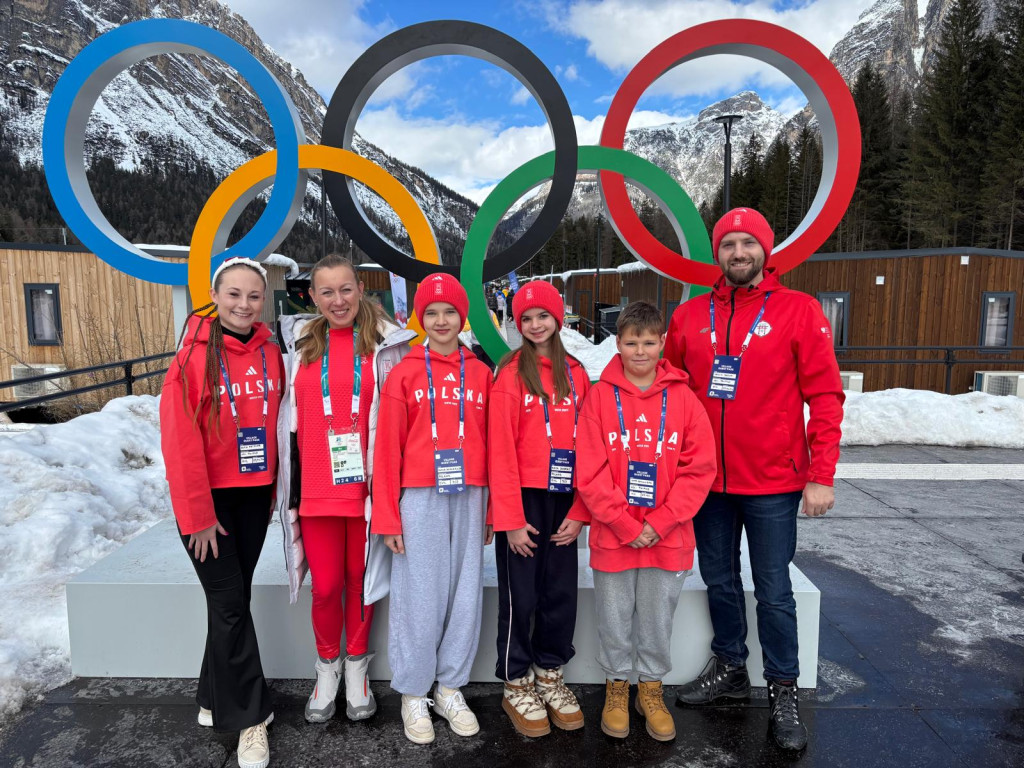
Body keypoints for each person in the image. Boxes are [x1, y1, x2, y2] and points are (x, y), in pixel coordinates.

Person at [666, 208, 844, 752]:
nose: (738, 253)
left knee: (773, 590)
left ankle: (783, 688)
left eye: (747, 243)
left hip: (773, 481)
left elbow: (825, 396)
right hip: (708, 483)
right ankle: (730, 667)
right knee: (719, 580)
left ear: (765, 251)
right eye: (728, 244)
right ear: (717, 253)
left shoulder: (798, 310)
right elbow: (668, 390)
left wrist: (821, 475)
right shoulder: (689, 315)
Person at [275, 253, 410, 724]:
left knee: (361, 583)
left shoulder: (387, 345)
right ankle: (327, 668)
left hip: (367, 491)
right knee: (327, 587)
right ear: (312, 296)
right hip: (315, 489)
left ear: (360, 289)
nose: (338, 300)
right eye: (327, 291)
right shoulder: (299, 346)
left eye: (346, 289)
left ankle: (357, 670)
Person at [160, 256, 284, 768]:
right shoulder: (192, 356)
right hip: (209, 503)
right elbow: (179, 441)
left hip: (254, 495)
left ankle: (212, 693)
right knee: (231, 604)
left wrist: (277, 491)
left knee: (232, 601)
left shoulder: (271, 351)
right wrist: (198, 515)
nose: (244, 305)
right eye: (234, 294)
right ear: (215, 296)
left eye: (253, 296)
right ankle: (249, 718)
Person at [576, 301, 716, 742]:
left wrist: (663, 521)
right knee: (614, 618)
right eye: (632, 342)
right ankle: (618, 686)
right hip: (614, 536)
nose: (640, 351)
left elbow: (700, 469)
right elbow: (589, 470)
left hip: (667, 537)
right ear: (617, 343)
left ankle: (650, 689)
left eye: (649, 342)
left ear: (662, 344)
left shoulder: (685, 399)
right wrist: (623, 523)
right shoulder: (600, 397)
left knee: (657, 620)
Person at [371, 272, 494, 745]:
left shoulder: (481, 373)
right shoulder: (404, 372)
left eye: (450, 312)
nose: (442, 321)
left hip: (471, 492)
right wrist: (387, 515)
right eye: (432, 313)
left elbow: (494, 445)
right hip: (419, 495)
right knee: (419, 595)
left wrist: (493, 509)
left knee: (465, 593)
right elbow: (387, 449)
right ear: (420, 318)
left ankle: (449, 687)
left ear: (463, 317)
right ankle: (413, 691)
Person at [489, 280, 591, 737]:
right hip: (524, 499)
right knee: (521, 595)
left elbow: (592, 444)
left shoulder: (577, 373)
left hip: (565, 498)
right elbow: (500, 451)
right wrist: (510, 519)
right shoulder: (510, 373)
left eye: (542, 316)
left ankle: (550, 673)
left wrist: (582, 510)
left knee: (559, 592)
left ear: (558, 318)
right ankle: (516, 680)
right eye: (525, 318)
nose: (534, 325)